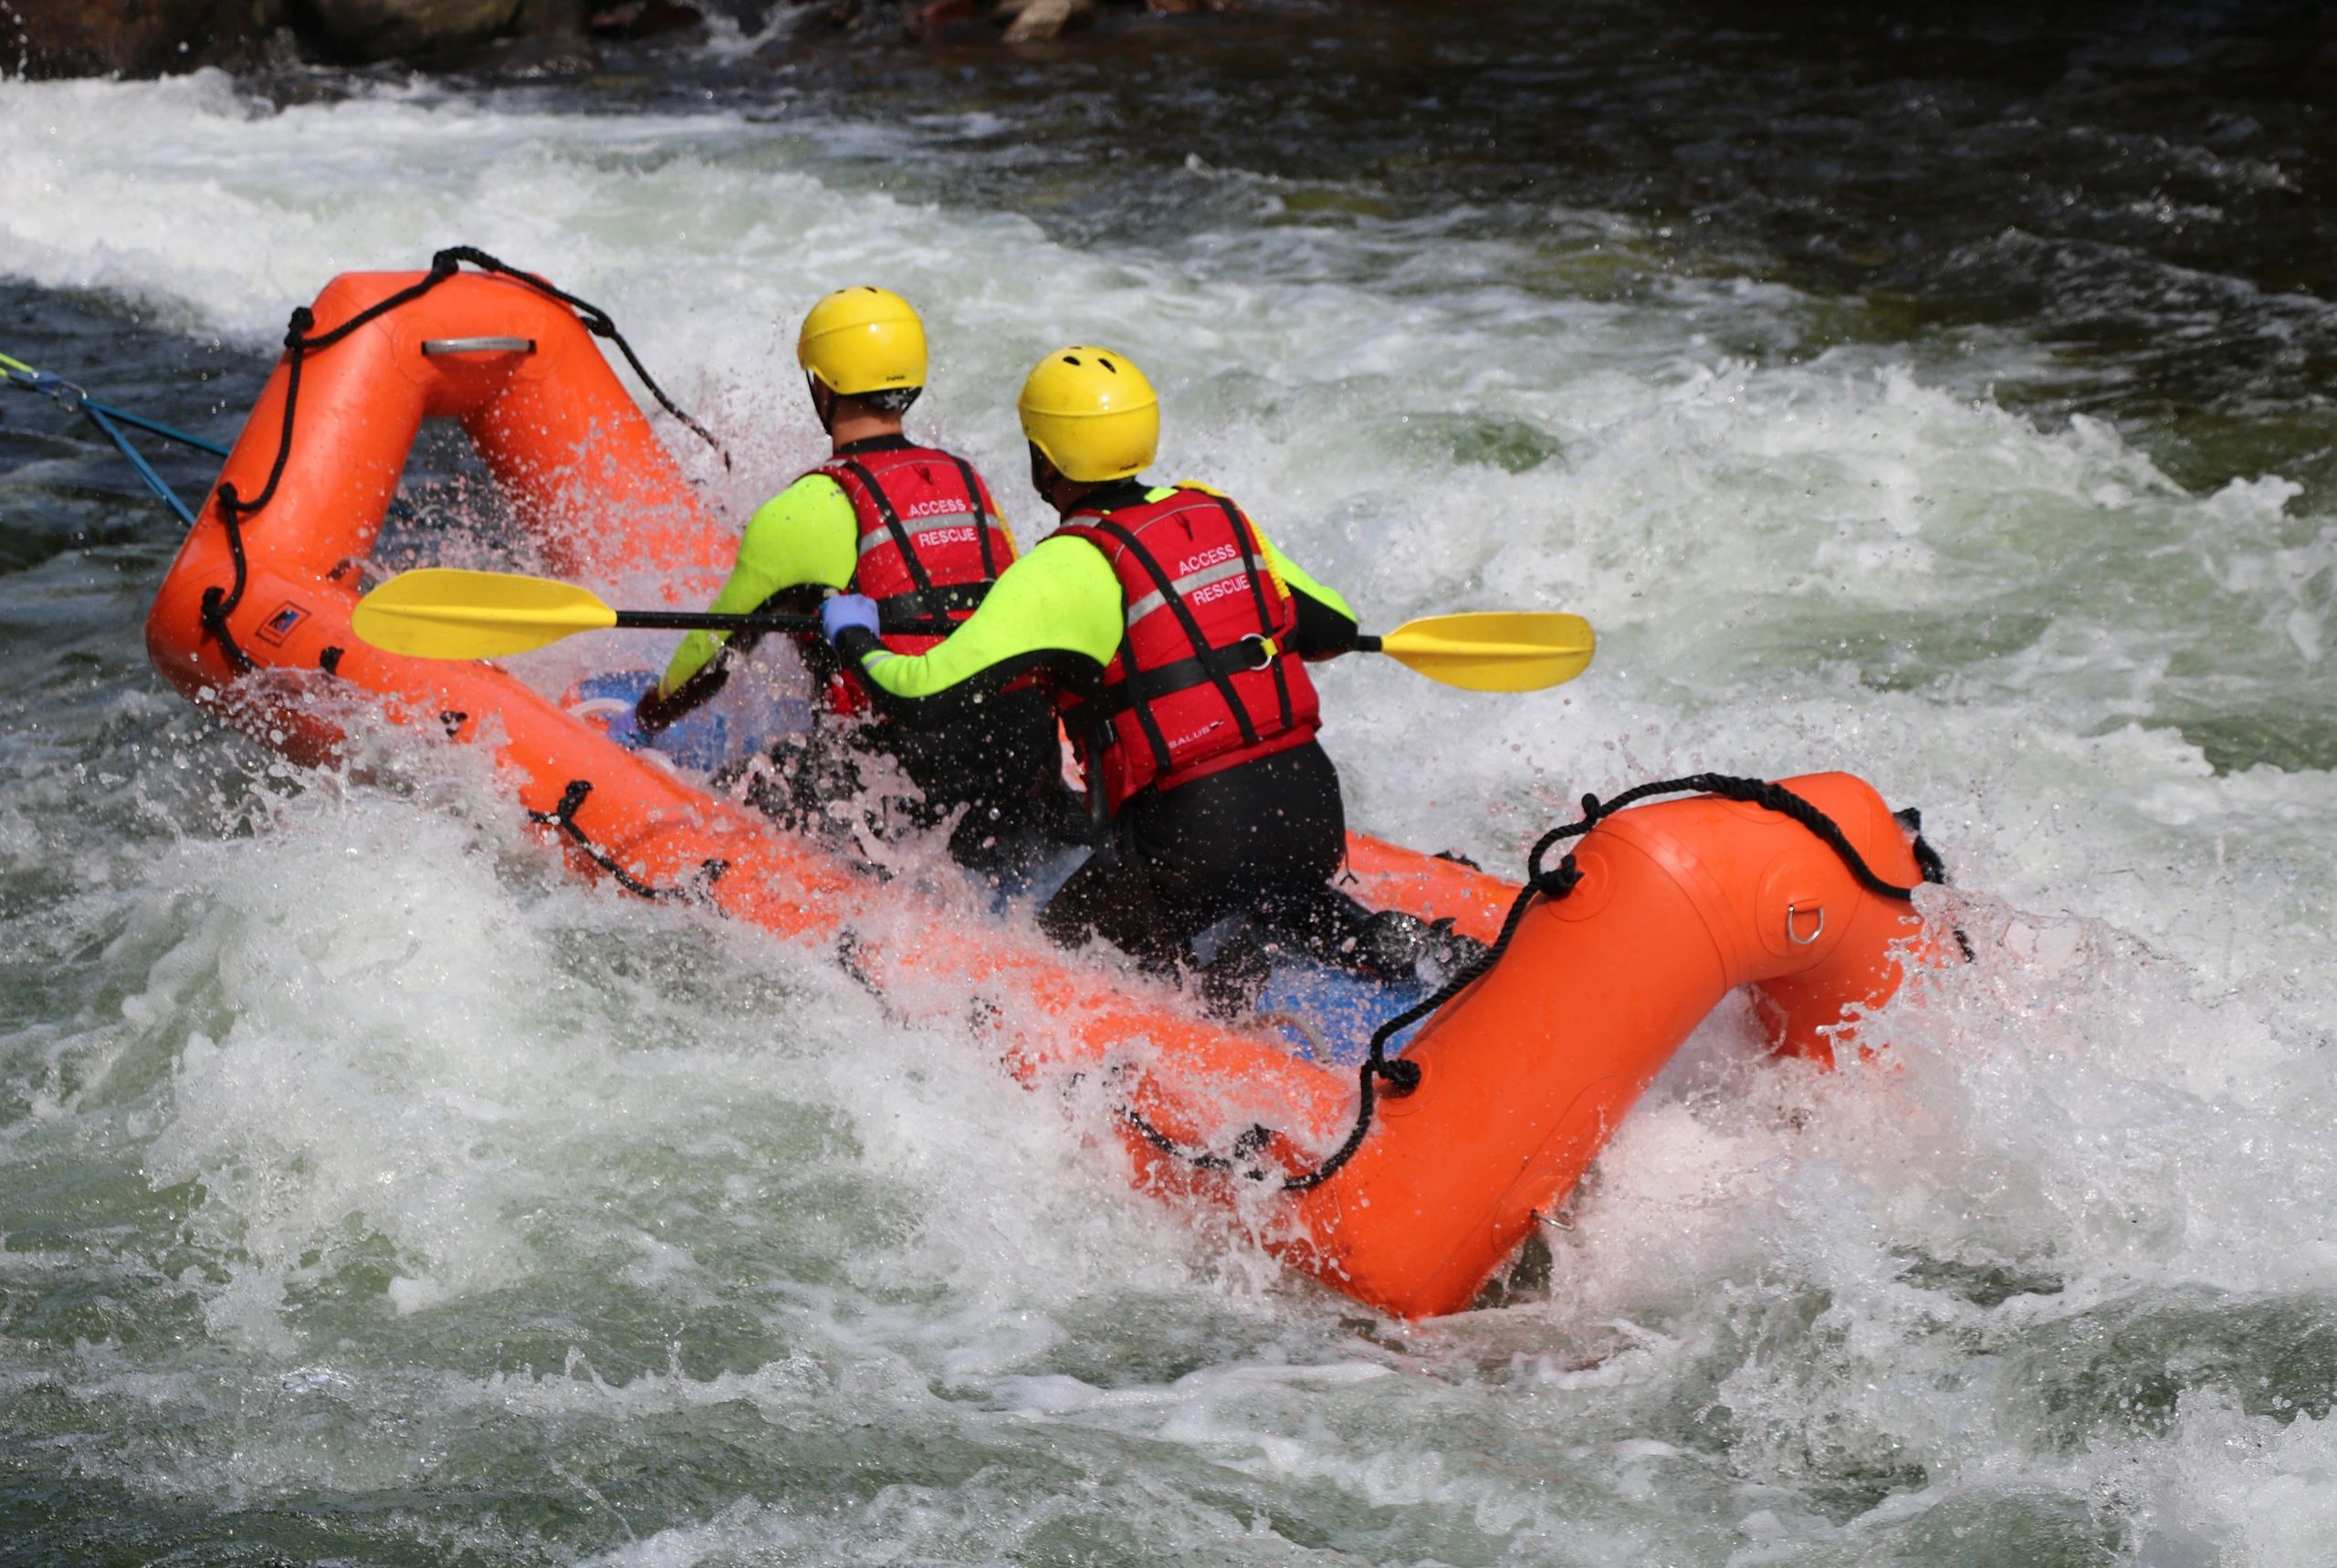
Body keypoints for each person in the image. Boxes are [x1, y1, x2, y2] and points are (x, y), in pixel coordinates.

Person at [821, 344, 1454, 1009]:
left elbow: (917, 694)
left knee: (1057, 950)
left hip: (1194, 840)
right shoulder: (1220, 516)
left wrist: (854, 631)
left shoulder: (1065, 565)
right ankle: (1386, 945)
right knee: (1267, 889)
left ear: (1043, 458)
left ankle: (1211, 1018)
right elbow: (1333, 627)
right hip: (1312, 814)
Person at [635, 286, 1075, 879]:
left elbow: (709, 660)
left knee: (731, 792)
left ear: (821, 384)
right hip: (1020, 766)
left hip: (904, 784)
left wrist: (646, 717)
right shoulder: (969, 484)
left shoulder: (807, 508)